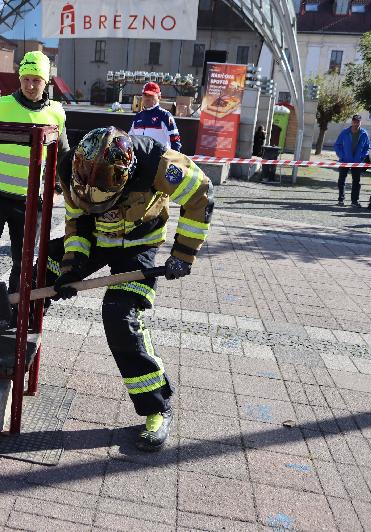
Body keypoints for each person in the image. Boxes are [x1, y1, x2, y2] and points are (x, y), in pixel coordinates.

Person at [46, 126, 214, 451]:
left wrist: (183, 254)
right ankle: (16, 342)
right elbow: (78, 222)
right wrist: (71, 267)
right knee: (40, 272)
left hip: (139, 244)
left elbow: (201, 196)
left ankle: (157, 406)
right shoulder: (70, 167)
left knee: (120, 316)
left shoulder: (159, 162)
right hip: (96, 238)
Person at [0, 50, 69, 322]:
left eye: (37, 80)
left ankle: (12, 311)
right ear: (20, 79)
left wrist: (57, 188)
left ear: (47, 82)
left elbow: (63, 156)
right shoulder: (1, 105)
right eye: (26, 79)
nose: (31, 85)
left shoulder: (57, 113)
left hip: (32, 203)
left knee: (22, 265)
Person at [128, 81, 181, 152]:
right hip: (139, 160)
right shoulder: (138, 116)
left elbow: (175, 141)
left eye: (151, 95)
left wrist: (175, 160)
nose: (147, 98)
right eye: (145, 95)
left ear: (159, 97)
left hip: (159, 160)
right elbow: (130, 139)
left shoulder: (165, 115)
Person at [333, 114, 370, 207]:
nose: (356, 123)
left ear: (360, 122)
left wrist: (362, 156)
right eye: (354, 121)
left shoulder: (364, 133)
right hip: (344, 160)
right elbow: (337, 145)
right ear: (352, 121)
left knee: (356, 182)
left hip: (357, 162)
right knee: (341, 180)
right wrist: (342, 155)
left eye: (358, 121)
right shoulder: (344, 132)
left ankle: (354, 201)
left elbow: (367, 147)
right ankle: (341, 200)